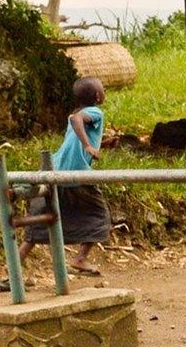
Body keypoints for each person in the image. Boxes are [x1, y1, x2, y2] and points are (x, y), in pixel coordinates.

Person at [7, 77, 112, 284]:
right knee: (100, 215)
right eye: (103, 89)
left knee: (39, 223)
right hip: (75, 175)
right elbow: (77, 120)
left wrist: (102, 144)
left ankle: (11, 270)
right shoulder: (94, 112)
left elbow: (75, 132)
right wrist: (89, 147)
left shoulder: (78, 113)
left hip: (54, 170)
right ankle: (80, 258)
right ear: (98, 97)